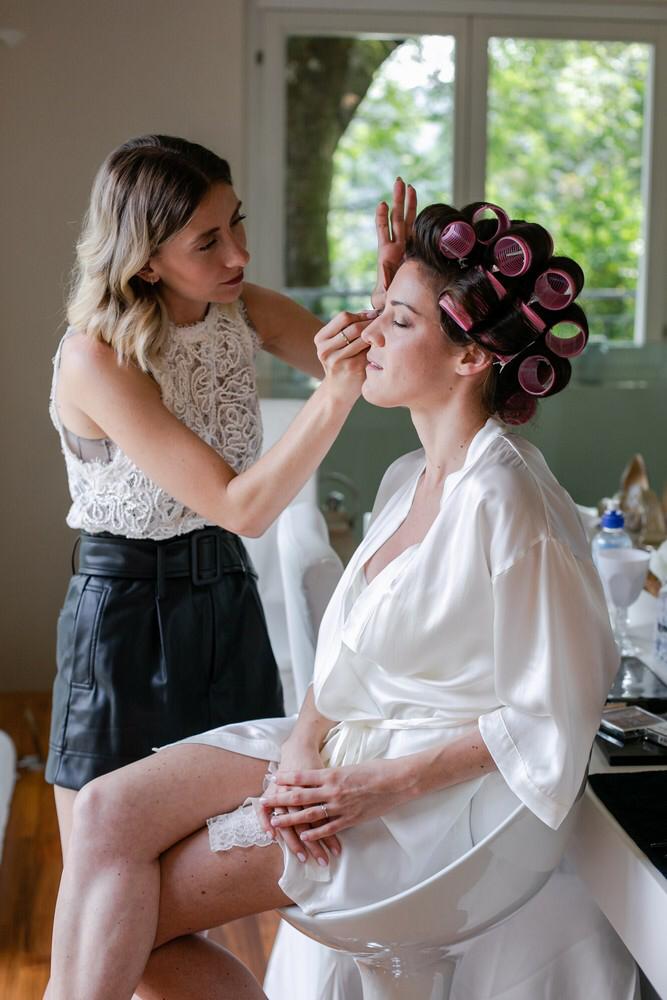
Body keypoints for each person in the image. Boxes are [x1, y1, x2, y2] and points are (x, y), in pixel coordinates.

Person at [46, 201, 619, 1000]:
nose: (364, 334)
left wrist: (371, 787)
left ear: (471, 356)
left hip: (434, 803)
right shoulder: (406, 479)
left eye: (396, 321)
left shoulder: (509, 500)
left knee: (125, 916)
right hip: (347, 740)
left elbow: (556, 711)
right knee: (106, 813)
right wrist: (301, 745)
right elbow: (349, 649)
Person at [46, 133, 416, 861]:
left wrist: (391, 297)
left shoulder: (242, 310)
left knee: (236, 862)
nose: (238, 254)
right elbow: (242, 506)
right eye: (207, 241)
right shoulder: (95, 357)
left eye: (235, 223)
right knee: (103, 869)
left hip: (226, 600)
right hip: (122, 618)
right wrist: (332, 393)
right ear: (146, 259)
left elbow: (378, 376)